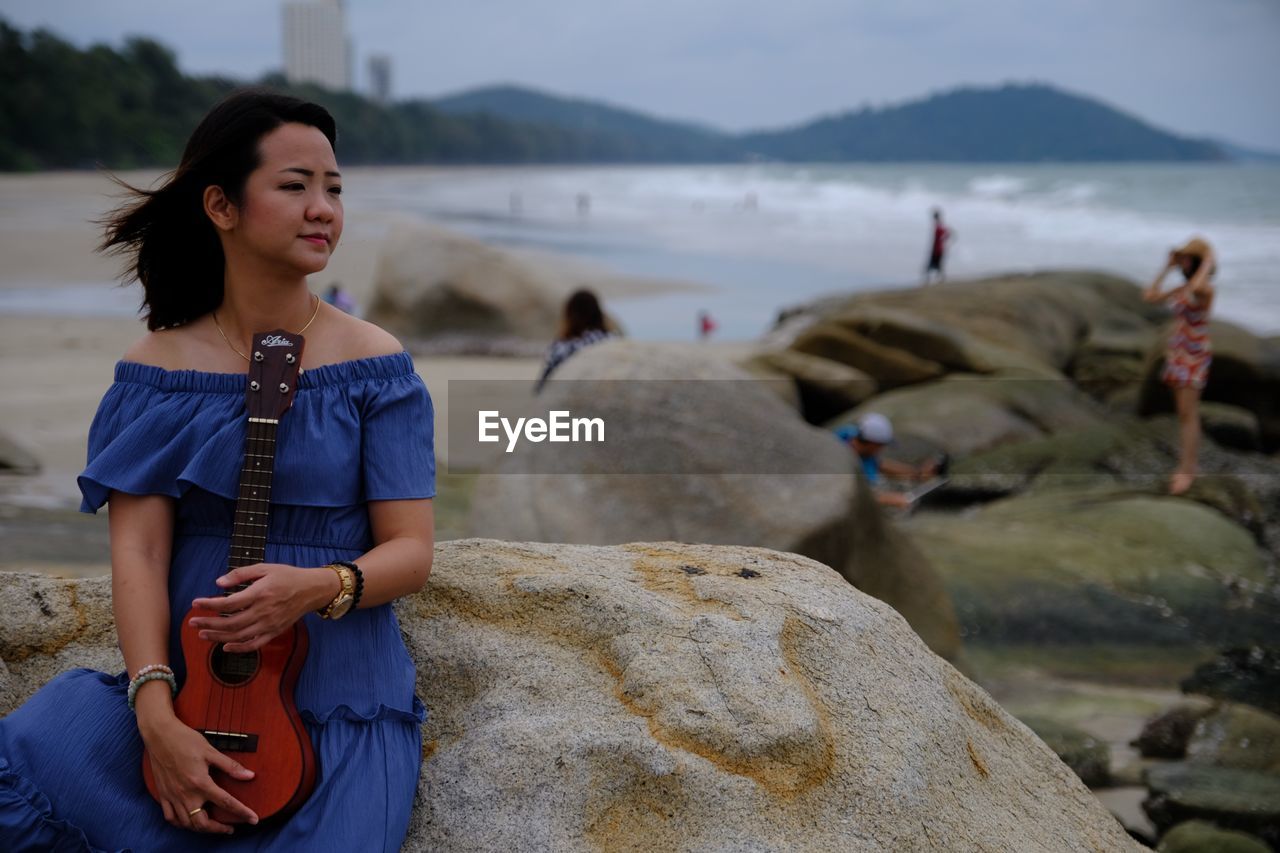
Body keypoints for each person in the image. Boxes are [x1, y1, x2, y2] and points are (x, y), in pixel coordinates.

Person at [0, 90, 435, 850]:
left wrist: (318, 586)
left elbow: (411, 548)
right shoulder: (154, 371)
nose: (323, 208)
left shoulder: (375, 365)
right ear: (221, 206)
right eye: (295, 185)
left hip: (339, 704)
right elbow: (139, 551)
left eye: (334, 188)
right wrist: (155, 716)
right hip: (184, 695)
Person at [1144, 236, 1216, 495]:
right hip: (1178, 354)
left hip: (1194, 356)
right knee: (1183, 413)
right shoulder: (1183, 289)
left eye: (1187, 257)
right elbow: (1150, 295)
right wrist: (1167, 267)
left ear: (1197, 261)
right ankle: (1187, 465)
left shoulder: (1205, 289)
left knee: (1189, 413)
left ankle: (1188, 470)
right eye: (1181, 257)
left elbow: (1197, 288)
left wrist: (1207, 261)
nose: (1182, 261)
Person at [836, 413, 939, 509]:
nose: (881, 449)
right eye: (881, 445)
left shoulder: (847, 434)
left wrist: (917, 474)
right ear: (872, 443)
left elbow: (880, 464)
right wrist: (890, 499)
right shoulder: (845, 460)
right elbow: (853, 494)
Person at [535, 289, 614, 393]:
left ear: (569, 315)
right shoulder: (612, 340)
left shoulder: (563, 347)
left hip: (569, 400)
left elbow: (543, 384)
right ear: (598, 313)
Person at [923, 208, 955, 285]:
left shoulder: (939, 226)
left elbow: (948, 234)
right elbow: (948, 233)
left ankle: (929, 281)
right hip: (939, 248)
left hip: (937, 249)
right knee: (938, 266)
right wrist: (944, 240)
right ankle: (940, 280)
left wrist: (942, 240)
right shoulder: (940, 225)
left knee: (931, 266)